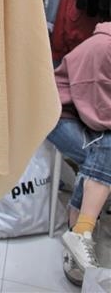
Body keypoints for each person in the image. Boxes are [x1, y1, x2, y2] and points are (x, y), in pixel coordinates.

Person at [47, 22, 111, 287]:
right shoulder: (102, 48)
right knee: (106, 152)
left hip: (91, 118)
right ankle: (82, 230)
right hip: (58, 115)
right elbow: (98, 115)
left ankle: (78, 234)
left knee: (100, 158)